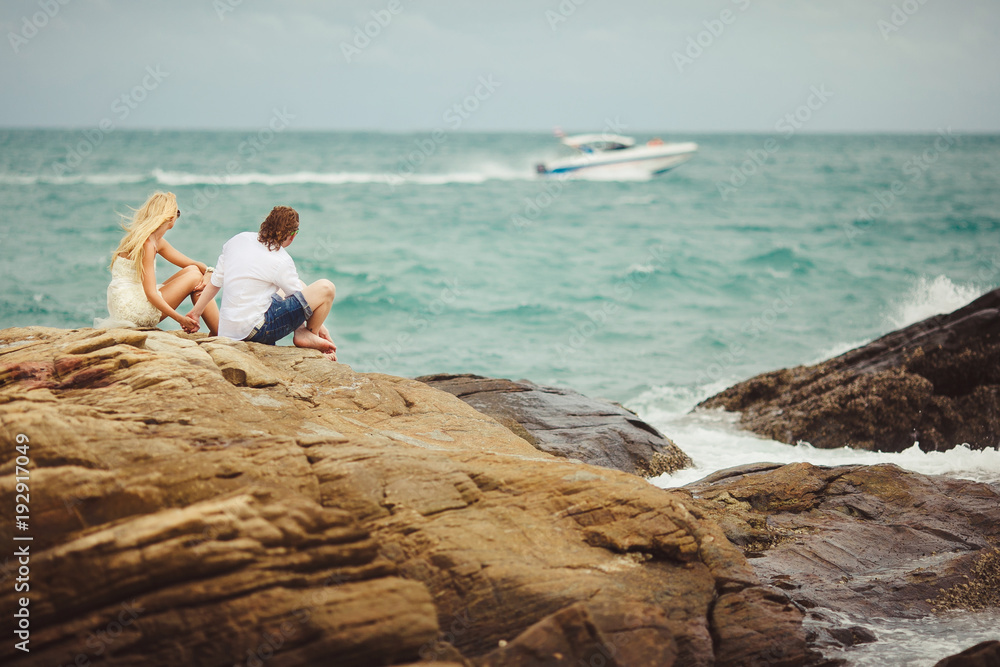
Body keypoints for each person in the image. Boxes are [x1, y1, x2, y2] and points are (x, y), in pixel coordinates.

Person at [187, 206, 337, 359]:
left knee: (299, 285)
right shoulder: (281, 259)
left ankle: (302, 332)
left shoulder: (238, 239)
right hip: (256, 330)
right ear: (292, 236)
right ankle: (310, 335)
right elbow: (300, 301)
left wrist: (195, 313)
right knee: (326, 288)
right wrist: (322, 327)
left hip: (228, 331)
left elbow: (215, 282)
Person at [101, 191, 219, 335]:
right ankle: (218, 330)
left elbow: (193, 264)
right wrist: (180, 319)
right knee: (195, 277)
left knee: (193, 271)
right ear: (170, 217)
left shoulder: (154, 240)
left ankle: (215, 329)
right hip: (132, 310)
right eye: (178, 212)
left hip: (131, 299)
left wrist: (209, 272)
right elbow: (151, 294)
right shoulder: (147, 244)